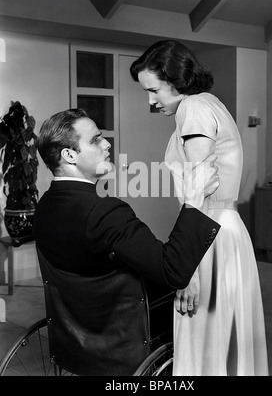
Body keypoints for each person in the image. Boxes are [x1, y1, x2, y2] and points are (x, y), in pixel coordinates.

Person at [33, 108, 220, 376]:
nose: (107, 143)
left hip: (74, 330)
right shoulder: (106, 213)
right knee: (195, 289)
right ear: (70, 155)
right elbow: (173, 270)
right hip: (124, 331)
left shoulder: (45, 208)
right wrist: (194, 200)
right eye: (96, 140)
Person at [130, 39, 268, 376]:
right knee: (224, 344)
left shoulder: (193, 109)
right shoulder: (210, 104)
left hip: (208, 236)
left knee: (202, 345)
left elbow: (198, 187)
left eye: (154, 90)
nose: (151, 100)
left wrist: (185, 270)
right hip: (225, 231)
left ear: (176, 78)